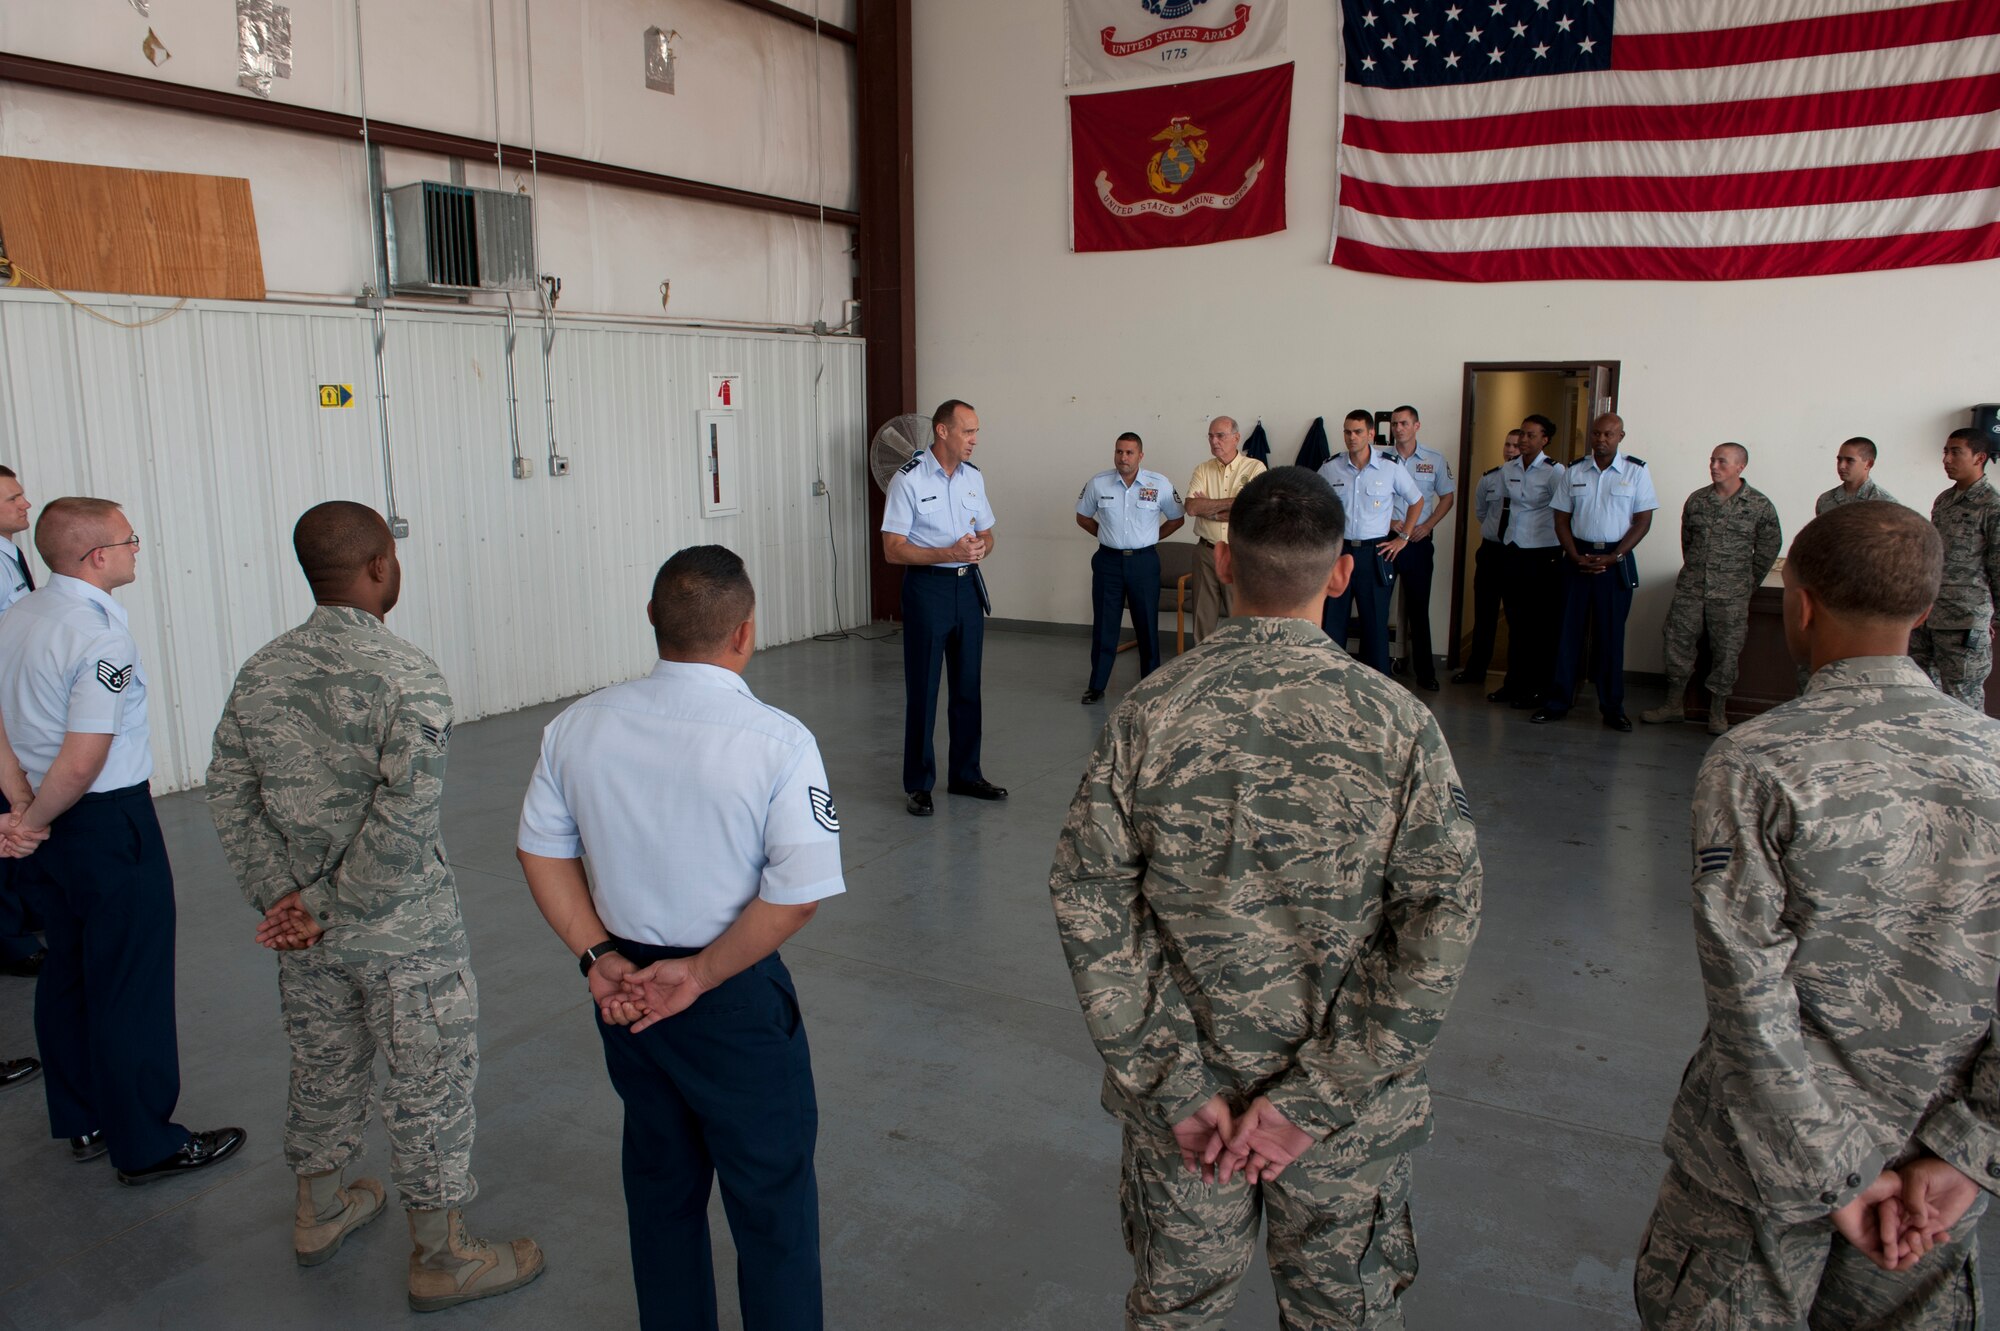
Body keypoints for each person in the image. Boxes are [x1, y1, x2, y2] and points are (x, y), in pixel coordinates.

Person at [1051, 466, 1482, 1329]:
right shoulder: (1399, 724)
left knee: (1180, 1313)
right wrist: (1311, 1101)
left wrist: (1176, 1087)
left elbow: (1089, 896)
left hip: (1192, 1125)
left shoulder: (1149, 712)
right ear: (1342, 573)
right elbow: (1440, 921)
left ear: (1222, 567)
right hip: (1341, 1125)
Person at [1636, 501, 2000, 1328]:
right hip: (1930, 1171)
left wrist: (1832, 1171)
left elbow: (1748, 995)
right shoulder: (1994, 758)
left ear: (1800, 603)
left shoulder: (1759, 762)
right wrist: (1972, 1151)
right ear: (1926, 608)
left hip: (1759, 1174)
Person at [207, 501, 543, 1308]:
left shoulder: (262, 669)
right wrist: (321, 904)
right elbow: (404, 816)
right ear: (381, 566)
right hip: (404, 934)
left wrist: (285, 900)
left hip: (308, 938)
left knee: (324, 1061)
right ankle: (442, 1257)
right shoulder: (409, 675)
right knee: (426, 1079)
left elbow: (229, 789)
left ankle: (320, 1209)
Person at [518, 544, 844, 1331]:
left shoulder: (577, 725)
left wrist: (598, 956)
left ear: (654, 623)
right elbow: (796, 896)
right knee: (771, 1205)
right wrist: (699, 973)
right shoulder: (778, 740)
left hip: (628, 995)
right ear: (745, 632)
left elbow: (541, 847)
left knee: (661, 1193)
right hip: (730, 994)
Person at [0, 497, 244, 1180]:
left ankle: (84, 1119)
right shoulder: (99, 635)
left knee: (68, 971)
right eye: (129, 539)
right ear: (97, 557)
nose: (138, 547)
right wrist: (37, 816)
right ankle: (147, 1142)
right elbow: (84, 757)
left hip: (49, 818)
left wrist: (21, 803)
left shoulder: (18, 615)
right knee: (129, 982)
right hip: (104, 822)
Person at [881, 399, 1005, 816]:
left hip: (966, 589)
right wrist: (948, 551)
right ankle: (918, 783)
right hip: (927, 592)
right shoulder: (908, 482)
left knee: (968, 687)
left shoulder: (973, 478)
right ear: (942, 431)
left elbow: (988, 534)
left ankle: (966, 774)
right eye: (968, 431)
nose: (974, 440)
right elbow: (893, 551)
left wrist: (978, 548)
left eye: (976, 432)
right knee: (925, 689)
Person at [1641, 444, 1782, 735]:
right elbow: (1688, 542)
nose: (1714, 466)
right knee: (1675, 644)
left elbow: (1769, 549)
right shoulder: (1697, 501)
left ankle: (1718, 712)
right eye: (1712, 460)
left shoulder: (1759, 505)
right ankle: (1673, 705)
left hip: (1732, 594)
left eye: (1722, 461)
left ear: (1740, 467)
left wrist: (1746, 582)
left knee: (1727, 653)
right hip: (1691, 589)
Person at [1535, 413, 1656, 731]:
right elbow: (1561, 517)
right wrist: (1573, 554)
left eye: (1609, 434)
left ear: (1620, 436)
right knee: (1567, 635)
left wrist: (1615, 556)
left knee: (1610, 638)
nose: (1601, 439)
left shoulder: (1636, 471)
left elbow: (1643, 520)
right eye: (1596, 434)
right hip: (1577, 558)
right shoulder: (1574, 471)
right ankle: (1558, 701)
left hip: (1615, 562)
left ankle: (1612, 707)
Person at [1075, 432, 1185, 704]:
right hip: (1108, 562)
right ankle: (1097, 685)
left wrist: (1150, 537)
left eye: (1129, 452)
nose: (1123, 458)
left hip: (1144, 562)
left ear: (1140, 456)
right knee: (1104, 624)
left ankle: (1151, 684)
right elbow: (1082, 516)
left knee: (1147, 624)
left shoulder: (1158, 484)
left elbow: (1177, 518)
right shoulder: (1099, 483)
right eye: (1119, 452)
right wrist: (1108, 536)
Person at [1317, 409, 1422, 674]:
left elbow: (1416, 500)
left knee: (1375, 626)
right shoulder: (1331, 467)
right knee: (1332, 624)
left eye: (1358, 432)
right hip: (1339, 552)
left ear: (1371, 434)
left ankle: (1377, 686)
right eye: (1347, 432)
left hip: (1374, 553)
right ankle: (1330, 680)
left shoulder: (1389, 467)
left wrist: (1404, 537)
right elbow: (1314, 503)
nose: (1351, 437)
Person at [1910, 427, 2000, 710]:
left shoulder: (1992, 506)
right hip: (1930, 616)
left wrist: (1993, 618)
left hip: (1964, 620)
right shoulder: (1944, 501)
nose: (1946, 459)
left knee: (1963, 702)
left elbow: (1998, 565)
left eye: (1955, 452)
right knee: (1923, 695)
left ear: (1979, 457)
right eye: (1945, 452)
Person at [0, 466, 44, 976]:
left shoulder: (10, 553)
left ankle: (27, 909)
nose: (24, 504)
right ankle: (9, 938)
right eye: (13, 498)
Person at [1490, 415, 1566, 708]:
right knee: (1515, 622)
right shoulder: (1508, 469)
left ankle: (1539, 687)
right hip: (1513, 552)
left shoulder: (1554, 472)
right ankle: (1513, 684)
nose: (1523, 440)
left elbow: (1564, 512)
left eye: (1530, 435)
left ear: (1544, 440)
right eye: (1522, 434)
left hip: (1542, 554)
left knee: (1540, 626)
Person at [1385, 405, 1455, 690]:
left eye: (1403, 423)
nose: (1398, 428)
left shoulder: (1434, 460)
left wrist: (1428, 526)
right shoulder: (1380, 459)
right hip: (1388, 539)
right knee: (1378, 606)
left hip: (1417, 542)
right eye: (1394, 424)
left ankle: (1426, 672)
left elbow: (1447, 497)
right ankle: (1377, 669)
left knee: (1418, 609)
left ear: (1416, 426)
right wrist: (1389, 522)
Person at [1184, 417, 1266, 644]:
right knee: (1203, 618)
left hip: (1239, 553)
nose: (1214, 441)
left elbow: (1254, 511)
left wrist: (1210, 507)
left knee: (1240, 618)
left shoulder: (1255, 467)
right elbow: (1191, 507)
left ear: (1236, 438)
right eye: (1210, 436)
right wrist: (1236, 503)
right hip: (1206, 552)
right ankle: (1202, 670)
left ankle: (1240, 669)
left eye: (1220, 435)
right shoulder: (1202, 469)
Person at [1452, 430, 1520, 685]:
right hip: (1491, 551)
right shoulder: (1490, 478)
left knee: (1515, 618)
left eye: (1516, 446)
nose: (1511, 450)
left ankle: (1515, 676)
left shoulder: (1540, 478)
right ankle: (1476, 670)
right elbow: (1481, 513)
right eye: (1507, 445)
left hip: (1517, 553)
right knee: (1484, 614)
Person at [1815, 436, 1898, 515]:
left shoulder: (1885, 504)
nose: (1841, 466)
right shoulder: (1825, 500)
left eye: (1850, 460)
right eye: (1839, 460)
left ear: (1869, 464)